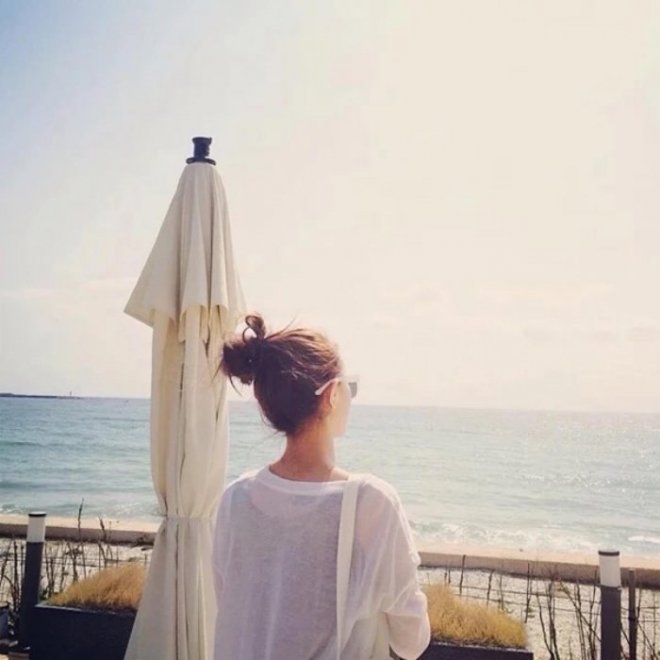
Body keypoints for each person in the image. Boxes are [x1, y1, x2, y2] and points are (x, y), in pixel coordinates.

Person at [212, 314, 431, 660]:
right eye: (348, 387)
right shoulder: (370, 503)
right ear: (330, 395)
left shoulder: (235, 499)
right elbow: (411, 641)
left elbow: (235, 609)